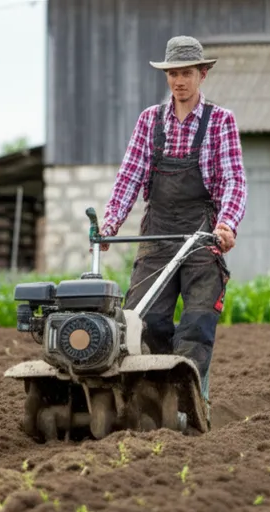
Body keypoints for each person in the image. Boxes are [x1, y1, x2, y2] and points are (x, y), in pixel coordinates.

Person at [98, 35, 247, 416]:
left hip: (202, 233)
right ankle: (155, 401)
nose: (179, 81)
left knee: (197, 323)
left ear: (202, 74)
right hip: (159, 231)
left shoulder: (220, 121)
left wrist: (227, 224)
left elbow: (234, 180)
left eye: (186, 73)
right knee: (144, 320)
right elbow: (130, 176)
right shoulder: (150, 120)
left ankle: (191, 405)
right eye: (173, 74)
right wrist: (111, 223)